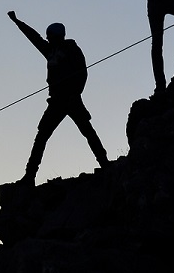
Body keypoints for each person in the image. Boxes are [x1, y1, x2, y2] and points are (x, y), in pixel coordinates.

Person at [8, 11, 109, 184]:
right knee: (42, 136)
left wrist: (75, 93)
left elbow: (82, 73)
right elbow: (34, 38)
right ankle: (29, 175)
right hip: (56, 100)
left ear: (58, 36)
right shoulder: (49, 50)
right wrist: (17, 22)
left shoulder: (72, 49)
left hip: (71, 98)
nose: (48, 40)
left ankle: (104, 163)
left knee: (87, 130)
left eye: (50, 37)